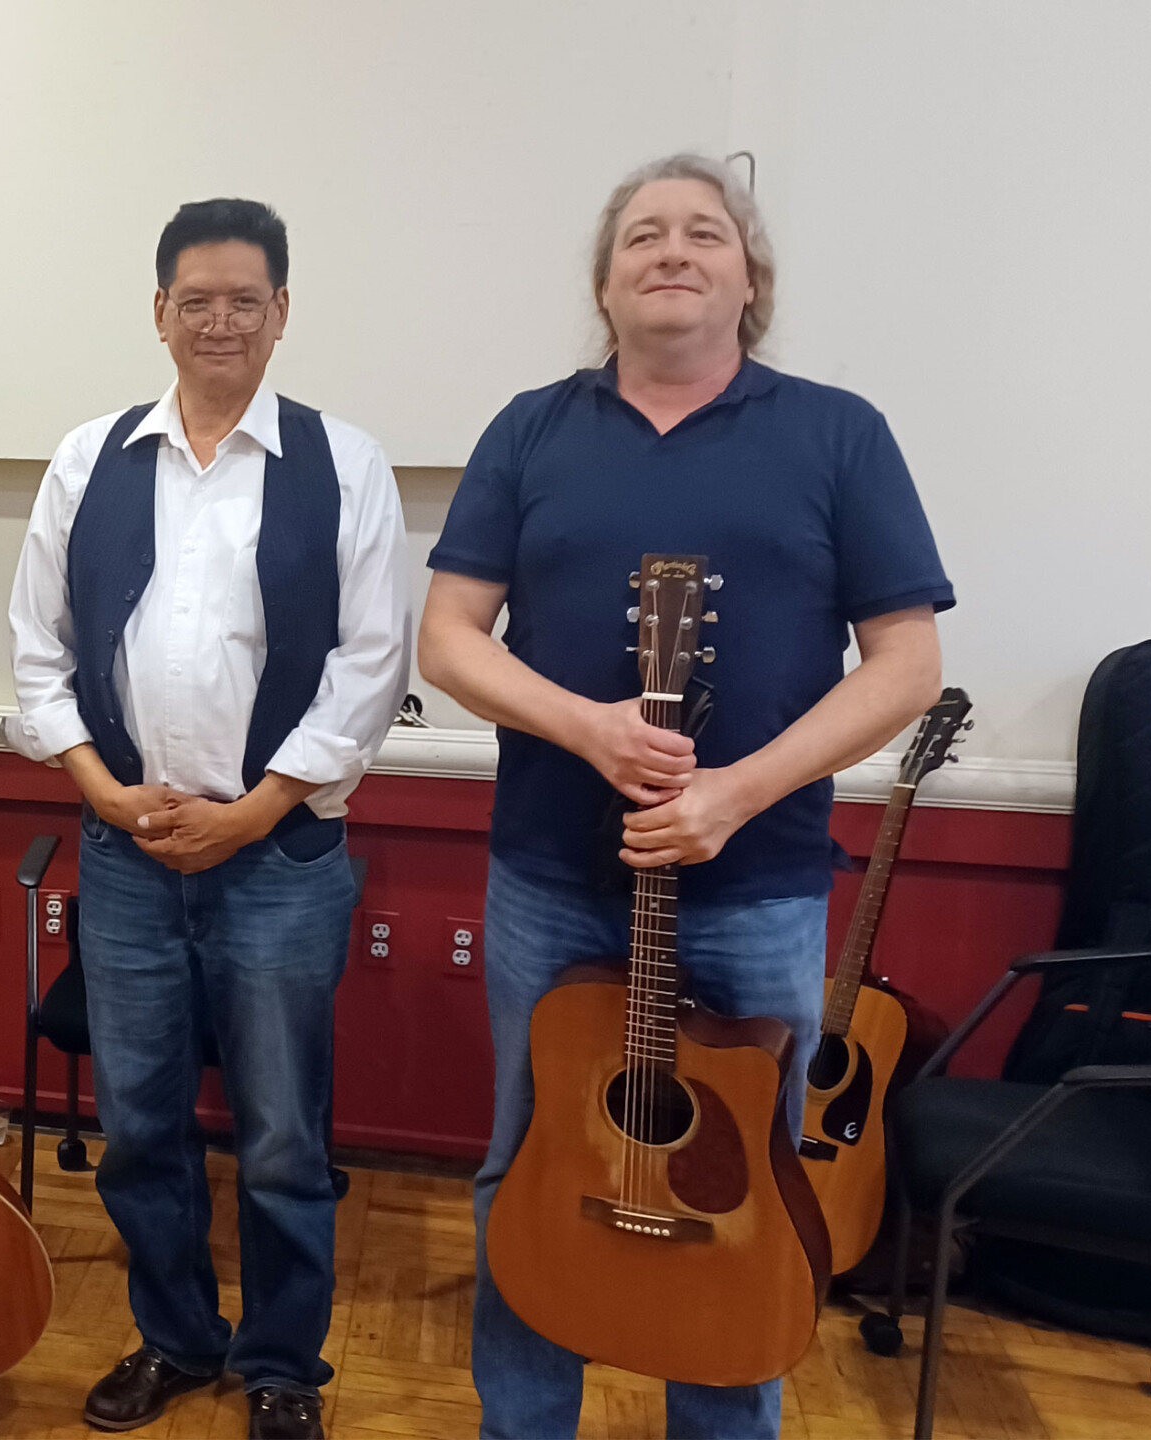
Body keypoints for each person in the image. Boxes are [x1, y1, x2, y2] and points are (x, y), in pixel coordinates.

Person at [415, 153, 950, 1440]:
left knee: (738, 1189)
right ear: (603, 283)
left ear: (748, 277)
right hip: (550, 882)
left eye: (703, 233)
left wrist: (739, 794)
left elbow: (908, 665)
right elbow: (448, 639)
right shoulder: (530, 429)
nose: (672, 251)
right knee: (528, 1170)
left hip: (755, 894)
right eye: (642, 235)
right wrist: (588, 729)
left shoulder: (836, 432)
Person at [4, 199, 407, 1440]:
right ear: (160, 314)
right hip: (126, 856)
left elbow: (371, 664)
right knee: (137, 1128)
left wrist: (254, 813)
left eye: (244, 300)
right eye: (196, 300)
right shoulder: (88, 459)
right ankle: (174, 1340)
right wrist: (104, 795)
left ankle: (284, 1364)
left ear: (281, 313)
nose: (218, 321)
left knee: (285, 1137)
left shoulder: (346, 466)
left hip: (278, 860)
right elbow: (36, 655)